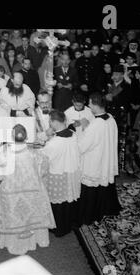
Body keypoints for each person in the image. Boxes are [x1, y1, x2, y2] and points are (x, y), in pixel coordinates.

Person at [0, 124, 56, 255]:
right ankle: (36, 240)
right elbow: (43, 170)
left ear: (11, 137)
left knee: (15, 214)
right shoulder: (34, 152)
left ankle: (15, 244)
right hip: (32, 189)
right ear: (26, 137)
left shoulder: (5, 153)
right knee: (33, 213)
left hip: (12, 191)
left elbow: (0, 173)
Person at [77, 93, 121, 226]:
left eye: (90, 103)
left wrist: (83, 128)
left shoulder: (96, 124)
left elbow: (82, 147)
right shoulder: (111, 118)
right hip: (106, 159)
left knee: (92, 185)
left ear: (96, 105)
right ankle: (108, 208)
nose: (89, 106)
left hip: (95, 161)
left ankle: (89, 214)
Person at [40, 110, 81, 237]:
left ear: (53, 122)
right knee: (68, 200)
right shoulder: (73, 134)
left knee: (58, 203)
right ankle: (70, 223)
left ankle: (59, 228)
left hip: (58, 174)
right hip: (72, 172)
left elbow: (43, 159)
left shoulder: (54, 143)